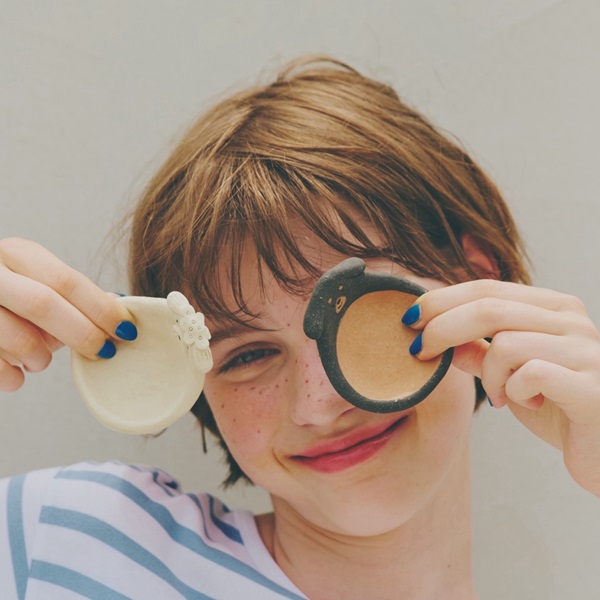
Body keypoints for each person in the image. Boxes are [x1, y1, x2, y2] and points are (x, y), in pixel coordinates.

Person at [1, 56, 599, 600]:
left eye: (363, 316)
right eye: (246, 356)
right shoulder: (64, 541)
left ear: (478, 278)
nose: (319, 404)